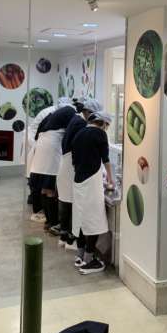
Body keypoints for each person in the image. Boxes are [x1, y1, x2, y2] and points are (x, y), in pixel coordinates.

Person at [71, 111, 114, 275]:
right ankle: (89, 261)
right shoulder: (100, 134)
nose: (106, 129)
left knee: (81, 219)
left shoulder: (79, 133)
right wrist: (110, 180)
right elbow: (106, 159)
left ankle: (80, 255)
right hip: (91, 183)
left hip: (78, 181)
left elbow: (75, 162)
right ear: (103, 123)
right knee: (94, 220)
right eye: (107, 126)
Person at [57, 98, 102, 249]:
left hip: (66, 164)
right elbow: (80, 148)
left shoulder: (76, 120)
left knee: (66, 202)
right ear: (87, 112)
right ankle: (71, 240)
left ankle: (65, 237)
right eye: (94, 115)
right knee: (73, 204)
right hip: (70, 166)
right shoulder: (81, 124)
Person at [29, 98, 76, 232]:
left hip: (41, 151)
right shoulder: (70, 111)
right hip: (51, 153)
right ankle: (54, 222)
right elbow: (70, 135)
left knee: (44, 190)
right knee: (50, 191)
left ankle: (49, 222)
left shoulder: (51, 116)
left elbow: (37, 133)